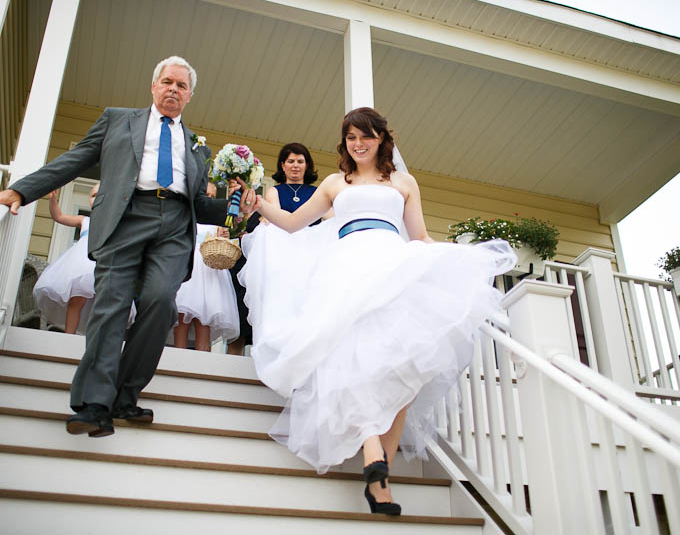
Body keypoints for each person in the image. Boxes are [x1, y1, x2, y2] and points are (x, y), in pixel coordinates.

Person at [242, 107, 515, 515]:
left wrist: (447, 262)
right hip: (346, 267)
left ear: (382, 138)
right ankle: (374, 456)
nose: (358, 144)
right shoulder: (336, 183)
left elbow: (419, 235)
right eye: (351, 137)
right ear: (344, 143)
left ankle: (380, 472)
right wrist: (259, 205)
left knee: (403, 366)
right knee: (352, 362)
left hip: (392, 264)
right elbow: (295, 222)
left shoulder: (404, 182)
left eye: (365, 136)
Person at [0, 55, 256, 438]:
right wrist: (22, 189)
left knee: (161, 303)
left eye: (181, 86)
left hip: (173, 228)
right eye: (167, 82)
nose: (173, 89)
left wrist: (239, 211)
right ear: (154, 86)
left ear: (189, 96)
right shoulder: (118, 120)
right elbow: (75, 159)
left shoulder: (197, 148)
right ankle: (95, 404)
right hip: (125, 216)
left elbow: (200, 204)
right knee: (112, 303)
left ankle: (126, 395)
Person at [227, 142, 319, 356]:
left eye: (300, 161)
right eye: (290, 161)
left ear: (307, 166)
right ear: (282, 166)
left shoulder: (318, 193)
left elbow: (327, 218)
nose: (295, 166)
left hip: (312, 249)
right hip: (283, 251)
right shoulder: (274, 191)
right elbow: (274, 217)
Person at [173, 182, 239, 351]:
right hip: (186, 269)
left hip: (208, 272)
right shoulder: (185, 215)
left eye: (212, 196)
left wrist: (224, 234)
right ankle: (178, 359)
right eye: (205, 195)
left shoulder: (216, 221)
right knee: (181, 318)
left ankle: (202, 362)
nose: (208, 198)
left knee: (204, 320)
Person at [32, 185, 98, 334]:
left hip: (102, 263)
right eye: (93, 195)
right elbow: (59, 216)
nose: (96, 198)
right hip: (83, 264)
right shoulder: (84, 220)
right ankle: (69, 336)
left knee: (101, 304)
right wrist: (53, 200)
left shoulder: (115, 221)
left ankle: (95, 339)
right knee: (77, 300)